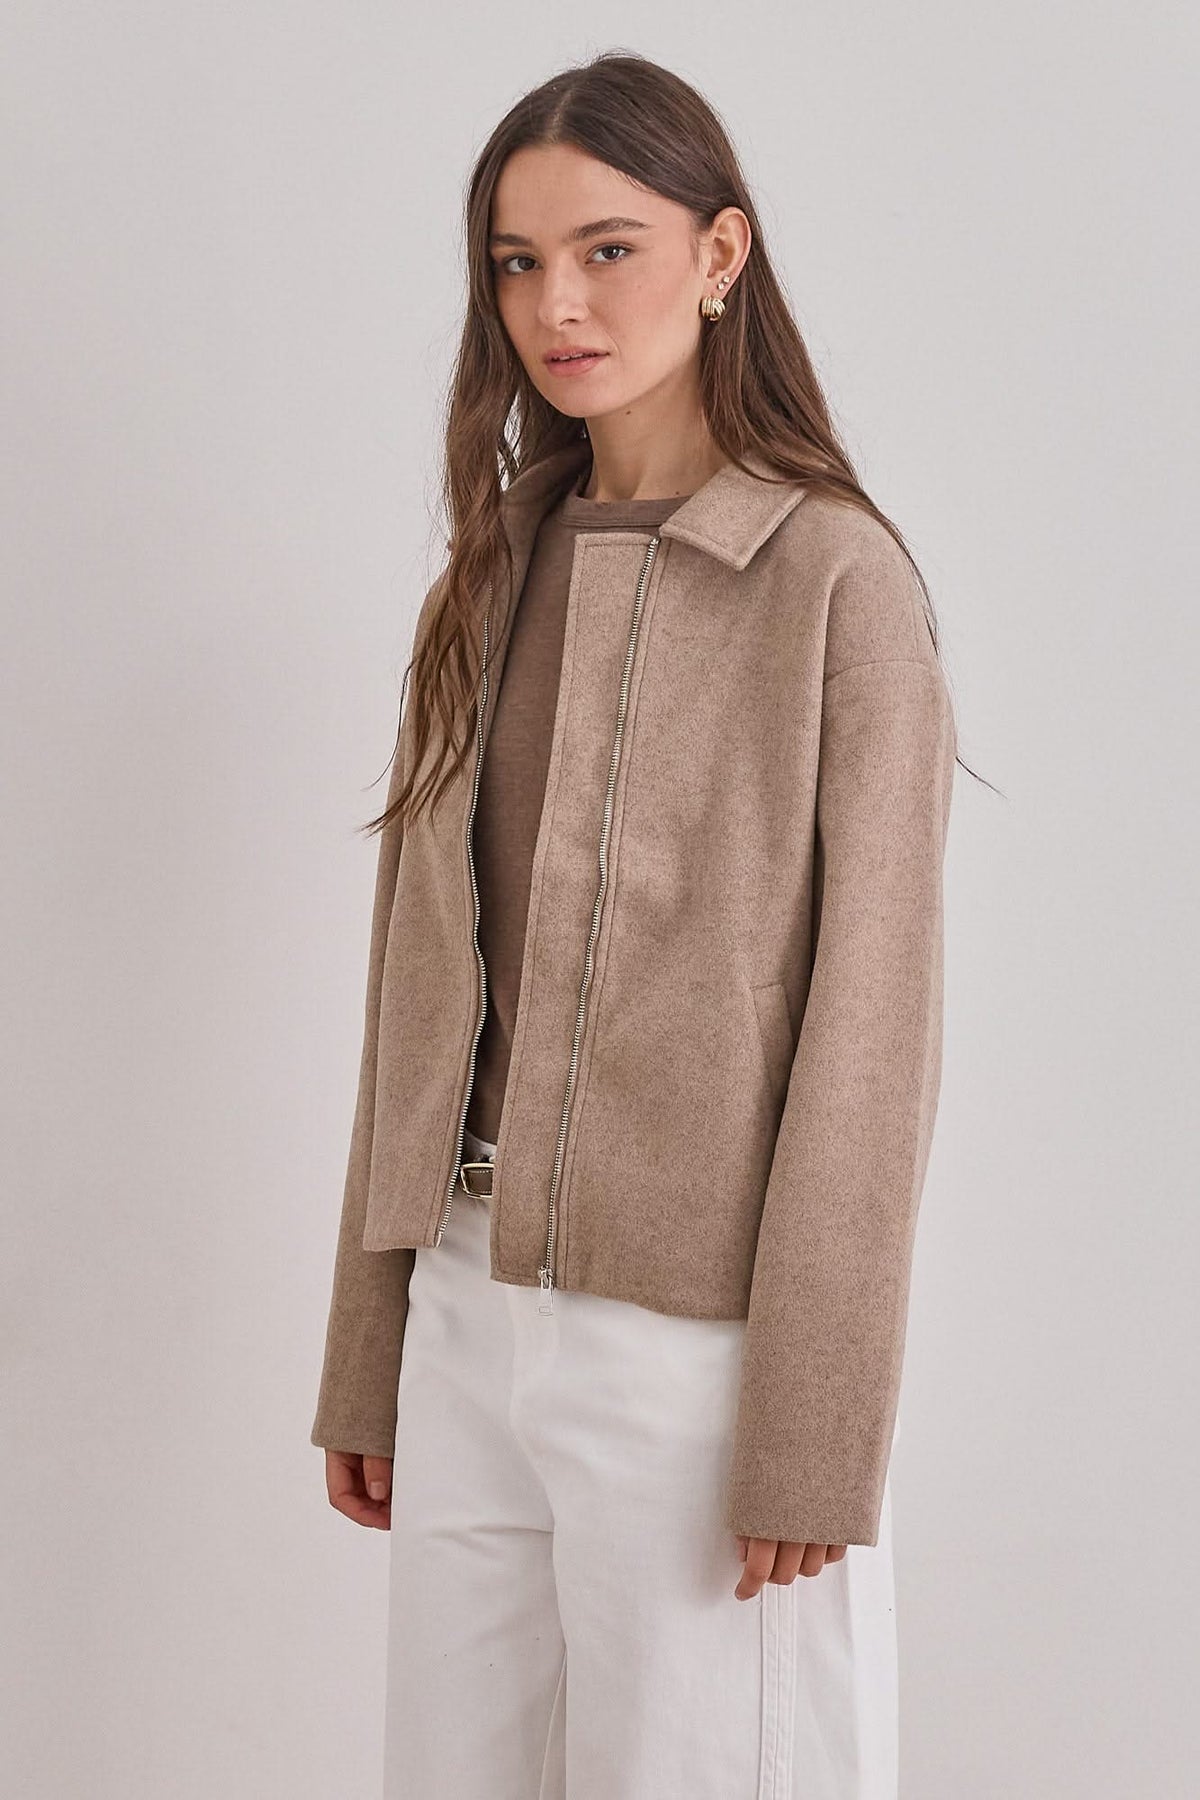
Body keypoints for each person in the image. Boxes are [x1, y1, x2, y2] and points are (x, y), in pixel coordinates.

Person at [311, 50, 972, 1800]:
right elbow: (413, 990)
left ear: (720, 254)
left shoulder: (835, 582)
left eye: (609, 250)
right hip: (465, 1310)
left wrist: (817, 1424)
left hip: (695, 1348)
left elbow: (874, 1029)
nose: (558, 305)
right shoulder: (488, 577)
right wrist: (371, 1349)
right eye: (517, 263)